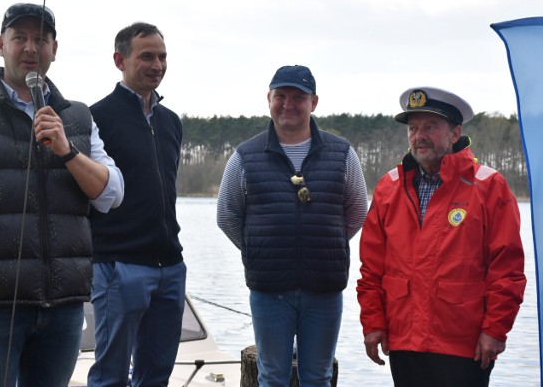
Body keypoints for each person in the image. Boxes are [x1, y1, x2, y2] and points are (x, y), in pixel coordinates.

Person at [0, 2, 124, 386]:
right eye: (20, 38)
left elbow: (111, 194)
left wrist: (67, 150)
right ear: (1, 44)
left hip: (63, 307)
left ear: (54, 49)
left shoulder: (78, 118)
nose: (31, 48)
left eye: (41, 39)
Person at [356, 86, 527, 387]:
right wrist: (373, 324)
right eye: (413, 128)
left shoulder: (489, 187)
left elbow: (508, 271)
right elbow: (371, 269)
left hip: (464, 346)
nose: (420, 135)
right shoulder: (388, 188)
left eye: (430, 127)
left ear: (455, 133)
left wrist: (495, 331)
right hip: (404, 342)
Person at [217, 65, 369, 386]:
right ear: (268, 99)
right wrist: (259, 250)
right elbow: (227, 215)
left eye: (298, 97)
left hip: (324, 289)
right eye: (281, 96)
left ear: (313, 103)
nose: (288, 104)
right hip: (269, 290)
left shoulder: (342, 154)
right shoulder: (245, 156)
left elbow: (356, 211)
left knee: (318, 376)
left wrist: (329, 243)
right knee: (272, 376)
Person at [87, 22, 186, 387]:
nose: (157, 64)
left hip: (170, 267)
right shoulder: (95, 118)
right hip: (119, 266)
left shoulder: (171, 122)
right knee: (111, 376)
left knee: (157, 375)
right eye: (146, 56)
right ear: (120, 60)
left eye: (162, 56)